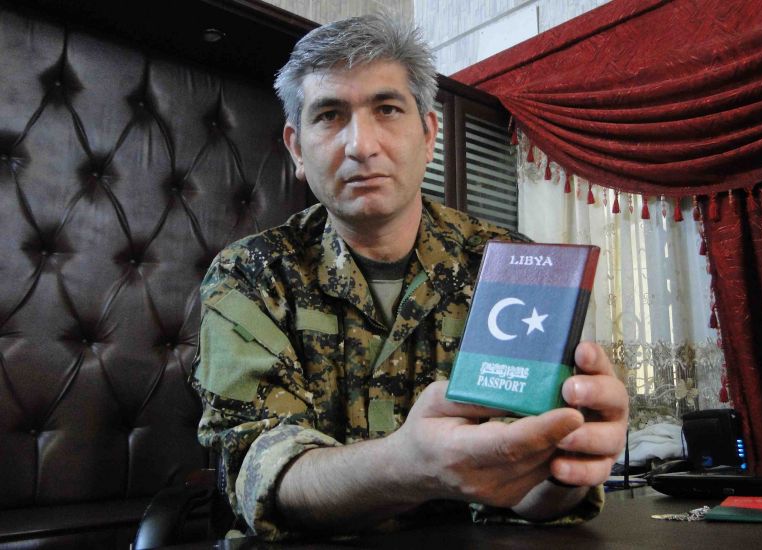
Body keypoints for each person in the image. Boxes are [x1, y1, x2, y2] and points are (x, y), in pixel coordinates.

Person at [191, 13, 628, 541]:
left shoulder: (514, 267)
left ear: (428, 134)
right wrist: (405, 466)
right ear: (297, 149)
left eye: (388, 109)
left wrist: (568, 463)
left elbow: (527, 489)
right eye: (329, 115)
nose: (361, 145)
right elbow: (260, 474)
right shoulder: (250, 275)